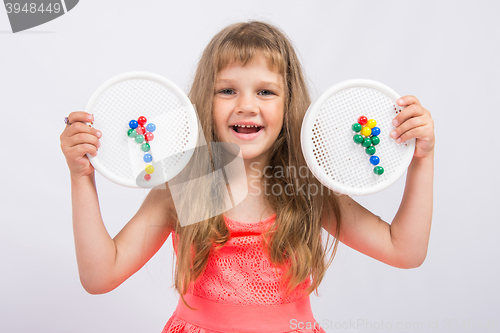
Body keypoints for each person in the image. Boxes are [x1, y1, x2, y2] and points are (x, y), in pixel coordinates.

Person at [60, 21, 434, 333]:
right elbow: (100, 276)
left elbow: (404, 250)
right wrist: (81, 177)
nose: (246, 105)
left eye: (266, 91)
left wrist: (422, 159)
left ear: (289, 104)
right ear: (204, 101)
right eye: (227, 90)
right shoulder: (193, 187)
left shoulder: (305, 186)